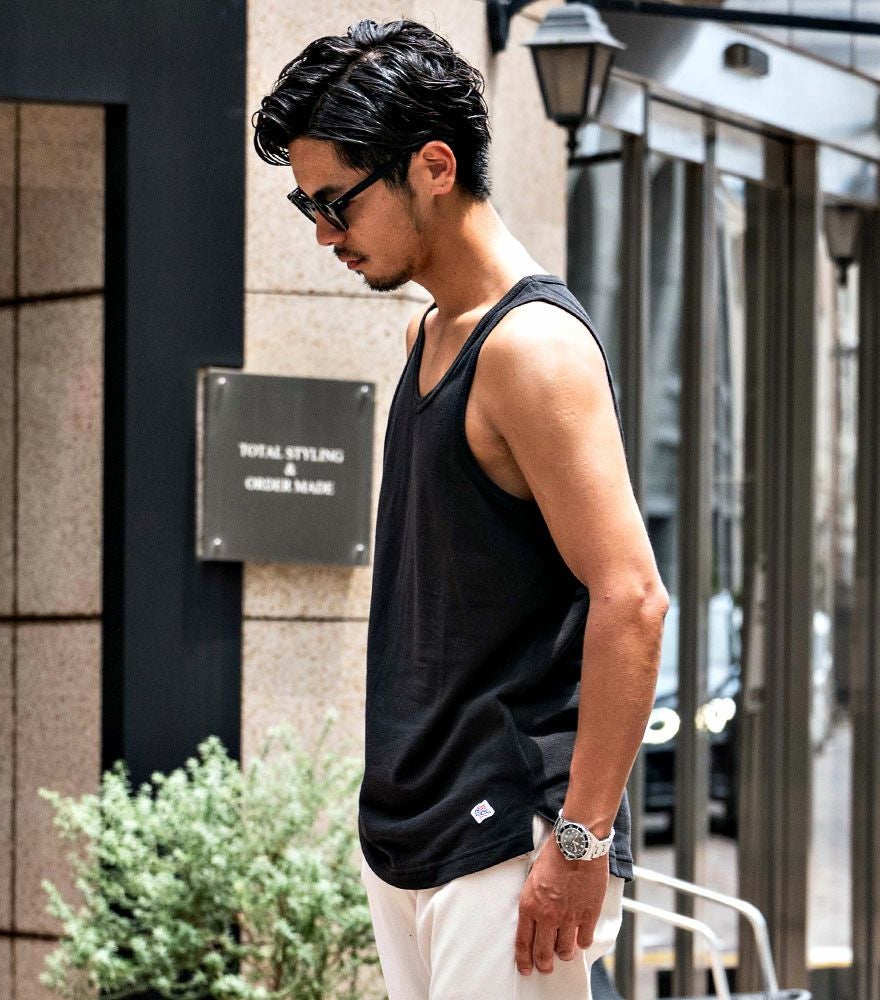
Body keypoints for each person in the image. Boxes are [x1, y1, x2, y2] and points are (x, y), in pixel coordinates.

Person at [252, 18, 668, 1000]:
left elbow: (633, 600)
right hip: (414, 828)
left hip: (508, 838)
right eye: (307, 205)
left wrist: (580, 841)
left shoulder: (533, 350)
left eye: (336, 202)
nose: (323, 234)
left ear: (433, 167)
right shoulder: (428, 335)